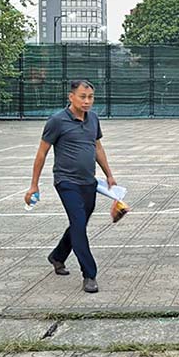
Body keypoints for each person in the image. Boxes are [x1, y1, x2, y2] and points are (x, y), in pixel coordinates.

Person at [25, 80, 117, 294]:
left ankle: (57, 256)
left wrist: (109, 174)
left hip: (89, 182)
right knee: (78, 222)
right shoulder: (57, 121)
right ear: (71, 97)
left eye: (90, 97)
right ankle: (89, 274)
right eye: (82, 96)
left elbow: (97, 147)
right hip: (66, 182)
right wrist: (33, 185)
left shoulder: (93, 119)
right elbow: (42, 153)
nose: (87, 101)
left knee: (79, 224)